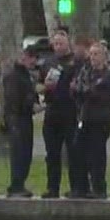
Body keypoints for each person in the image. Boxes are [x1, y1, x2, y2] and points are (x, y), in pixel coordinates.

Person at [71, 42, 110, 200]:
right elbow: (77, 91)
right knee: (79, 152)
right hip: (85, 119)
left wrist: (85, 91)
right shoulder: (86, 74)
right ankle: (80, 188)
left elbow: (99, 95)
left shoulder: (108, 77)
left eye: (96, 54)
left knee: (97, 155)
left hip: (100, 121)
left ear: (104, 57)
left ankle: (99, 188)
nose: (93, 58)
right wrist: (80, 91)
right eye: (91, 54)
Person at [39, 28, 83, 198]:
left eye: (61, 43)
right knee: (52, 152)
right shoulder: (48, 62)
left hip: (69, 110)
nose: (58, 47)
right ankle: (52, 187)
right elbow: (39, 84)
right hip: (52, 110)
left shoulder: (76, 62)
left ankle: (76, 187)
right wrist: (43, 87)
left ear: (67, 44)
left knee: (73, 151)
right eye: (55, 43)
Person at [0, 45, 40, 198]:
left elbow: (29, 94)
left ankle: (20, 183)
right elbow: (14, 99)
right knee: (19, 153)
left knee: (26, 153)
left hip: (24, 118)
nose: (33, 62)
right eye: (31, 58)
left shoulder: (26, 76)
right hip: (17, 119)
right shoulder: (14, 76)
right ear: (24, 57)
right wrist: (30, 104)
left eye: (34, 59)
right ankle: (16, 185)